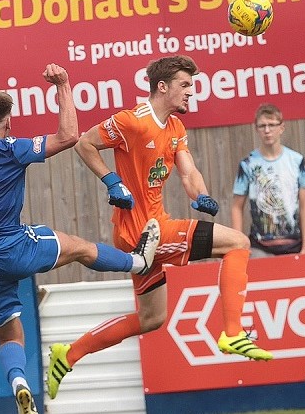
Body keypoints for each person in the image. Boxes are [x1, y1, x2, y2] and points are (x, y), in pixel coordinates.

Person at [0, 64, 160, 414]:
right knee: (79, 247)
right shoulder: (12, 148)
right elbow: (68, 136)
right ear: (8, 122)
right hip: (13, 248)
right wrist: (63, 84)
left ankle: (19, 383)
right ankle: (137, 262)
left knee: (9, 336)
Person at [47, 55, 272, 400]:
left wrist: (203, 197)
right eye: (185, 85)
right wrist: (111, 181)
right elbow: (84, 142)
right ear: (162, 87)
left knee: (152, 318)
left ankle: (69, 354)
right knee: (238, 242)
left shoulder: (175, 128)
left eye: (192, 86)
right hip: (142, 233)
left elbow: (188, 172)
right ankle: (231, 331)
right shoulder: (132, 121)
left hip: (151, 231)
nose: (191, 92)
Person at [231, 103, 305, 257]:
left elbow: (304, 205)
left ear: (281, 127)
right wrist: (239, 247)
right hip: (260, 245)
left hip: (293, 243)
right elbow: (237, 206)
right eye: (262, 126)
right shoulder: (248, 164)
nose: (267, 131)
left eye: (271, 125)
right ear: (256, 129)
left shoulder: (296, 160)